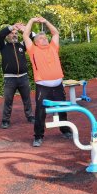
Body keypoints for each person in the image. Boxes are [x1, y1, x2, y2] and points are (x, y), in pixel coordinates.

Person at [22, 17, 72, 147]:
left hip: (58, 85)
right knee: (40, 112)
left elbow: (55, 33)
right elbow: (25, 34)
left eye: (45, 38)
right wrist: (32, 20)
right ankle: (38, 136)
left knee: (62, 109)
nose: (44, 39)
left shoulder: (53, 47)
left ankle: (65, 130)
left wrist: (46, 22)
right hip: (43, 87)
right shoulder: (33, 50)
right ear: (36, 42)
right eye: (41, 38)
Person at [0, 22, 34, 129]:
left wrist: (24, 29)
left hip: (23, 77)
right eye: (12, 33)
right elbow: (0, 35)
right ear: (8, 35)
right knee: (8, 100)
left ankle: (30, 116)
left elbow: (32, 36)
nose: (14, 35)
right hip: (10, 78)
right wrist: (11, 27)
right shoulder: (3, 46)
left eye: (16, 33)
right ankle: (5, 120)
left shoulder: (22, 45)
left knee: (27, 99)